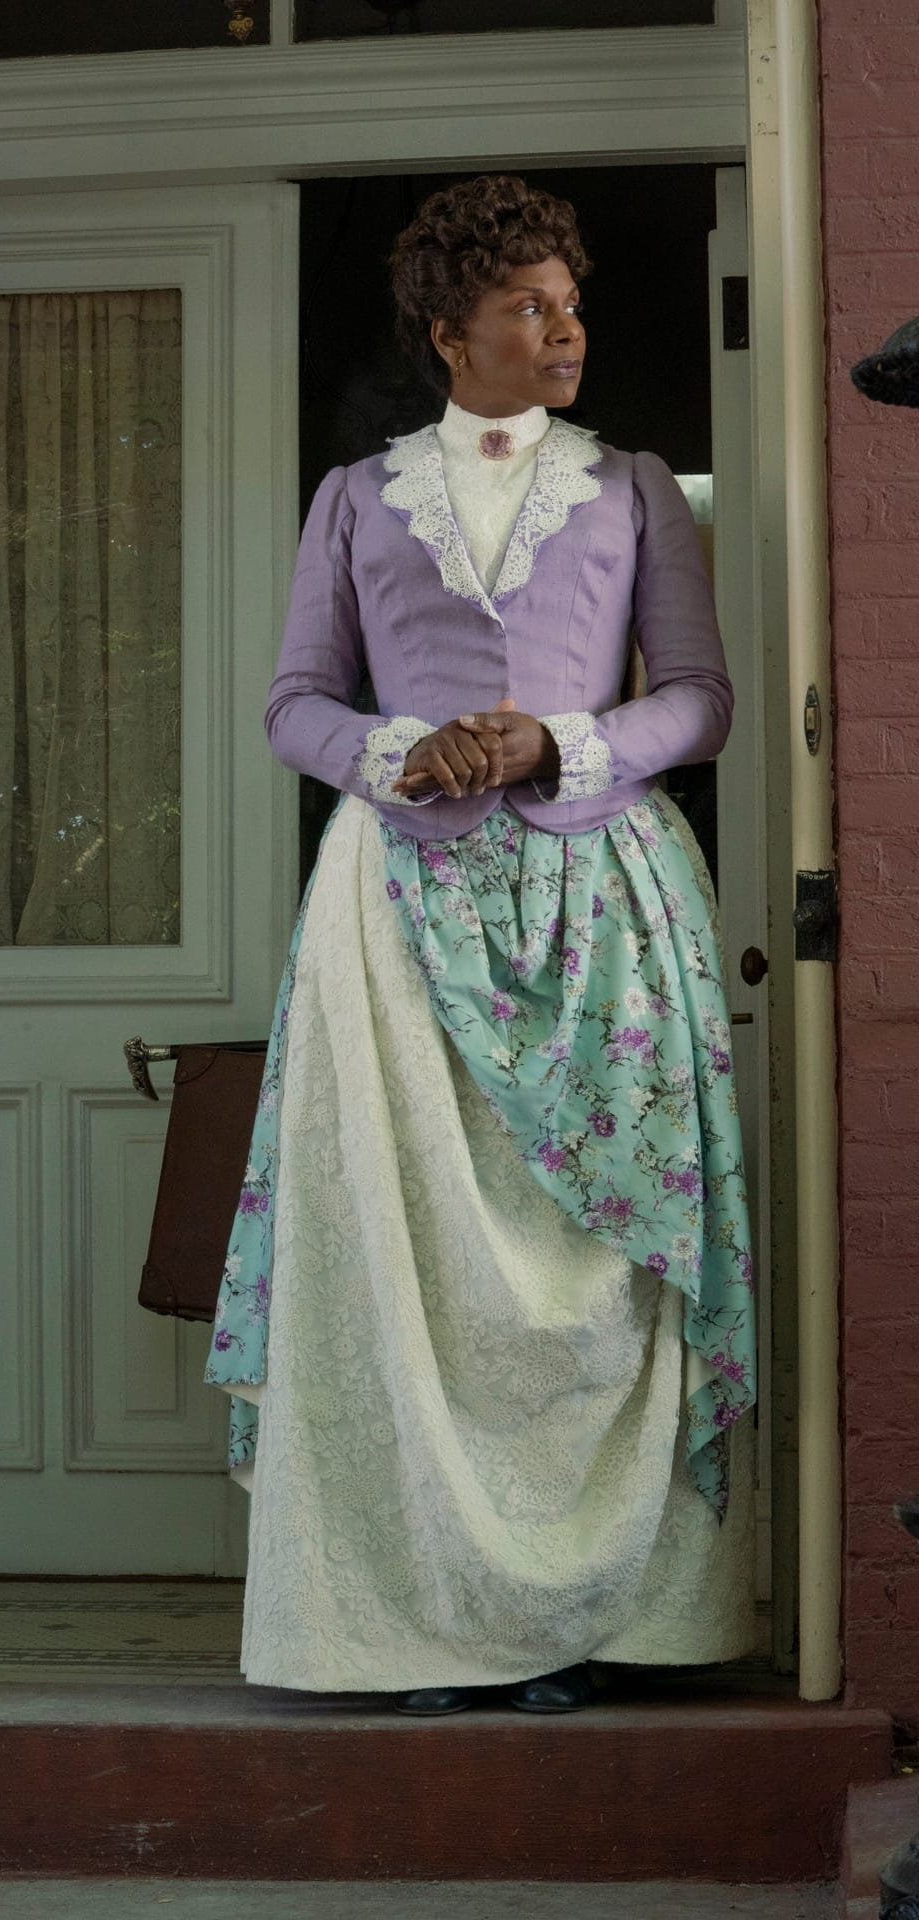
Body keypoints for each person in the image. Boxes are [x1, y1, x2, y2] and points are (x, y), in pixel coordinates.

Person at [207, 173, 757, 1716]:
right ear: (453, 333)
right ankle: (416, 1620)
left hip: (604, 908)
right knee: (414, 1257)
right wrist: (401, 756)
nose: (565, 329)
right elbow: (292, 703)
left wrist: (557, 743)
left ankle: (606, 1615)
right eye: (530, 306)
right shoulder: (357, 500)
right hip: (398, 909)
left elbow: (700, 699)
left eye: (571, 303)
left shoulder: (637, 486)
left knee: (590, 1262)